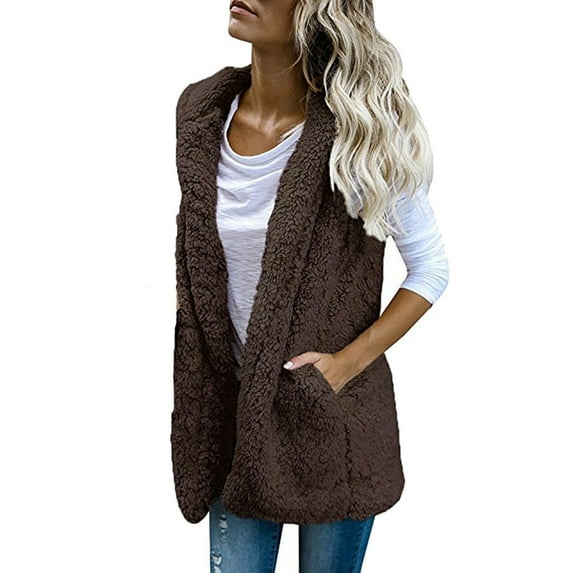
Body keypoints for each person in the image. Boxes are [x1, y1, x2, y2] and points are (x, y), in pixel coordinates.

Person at [173, 1, 449, 571]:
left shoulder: (360, 128)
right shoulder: (202, 116)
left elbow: (430, 269)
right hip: (235, 422)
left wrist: (344, 366)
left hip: (331, 418)